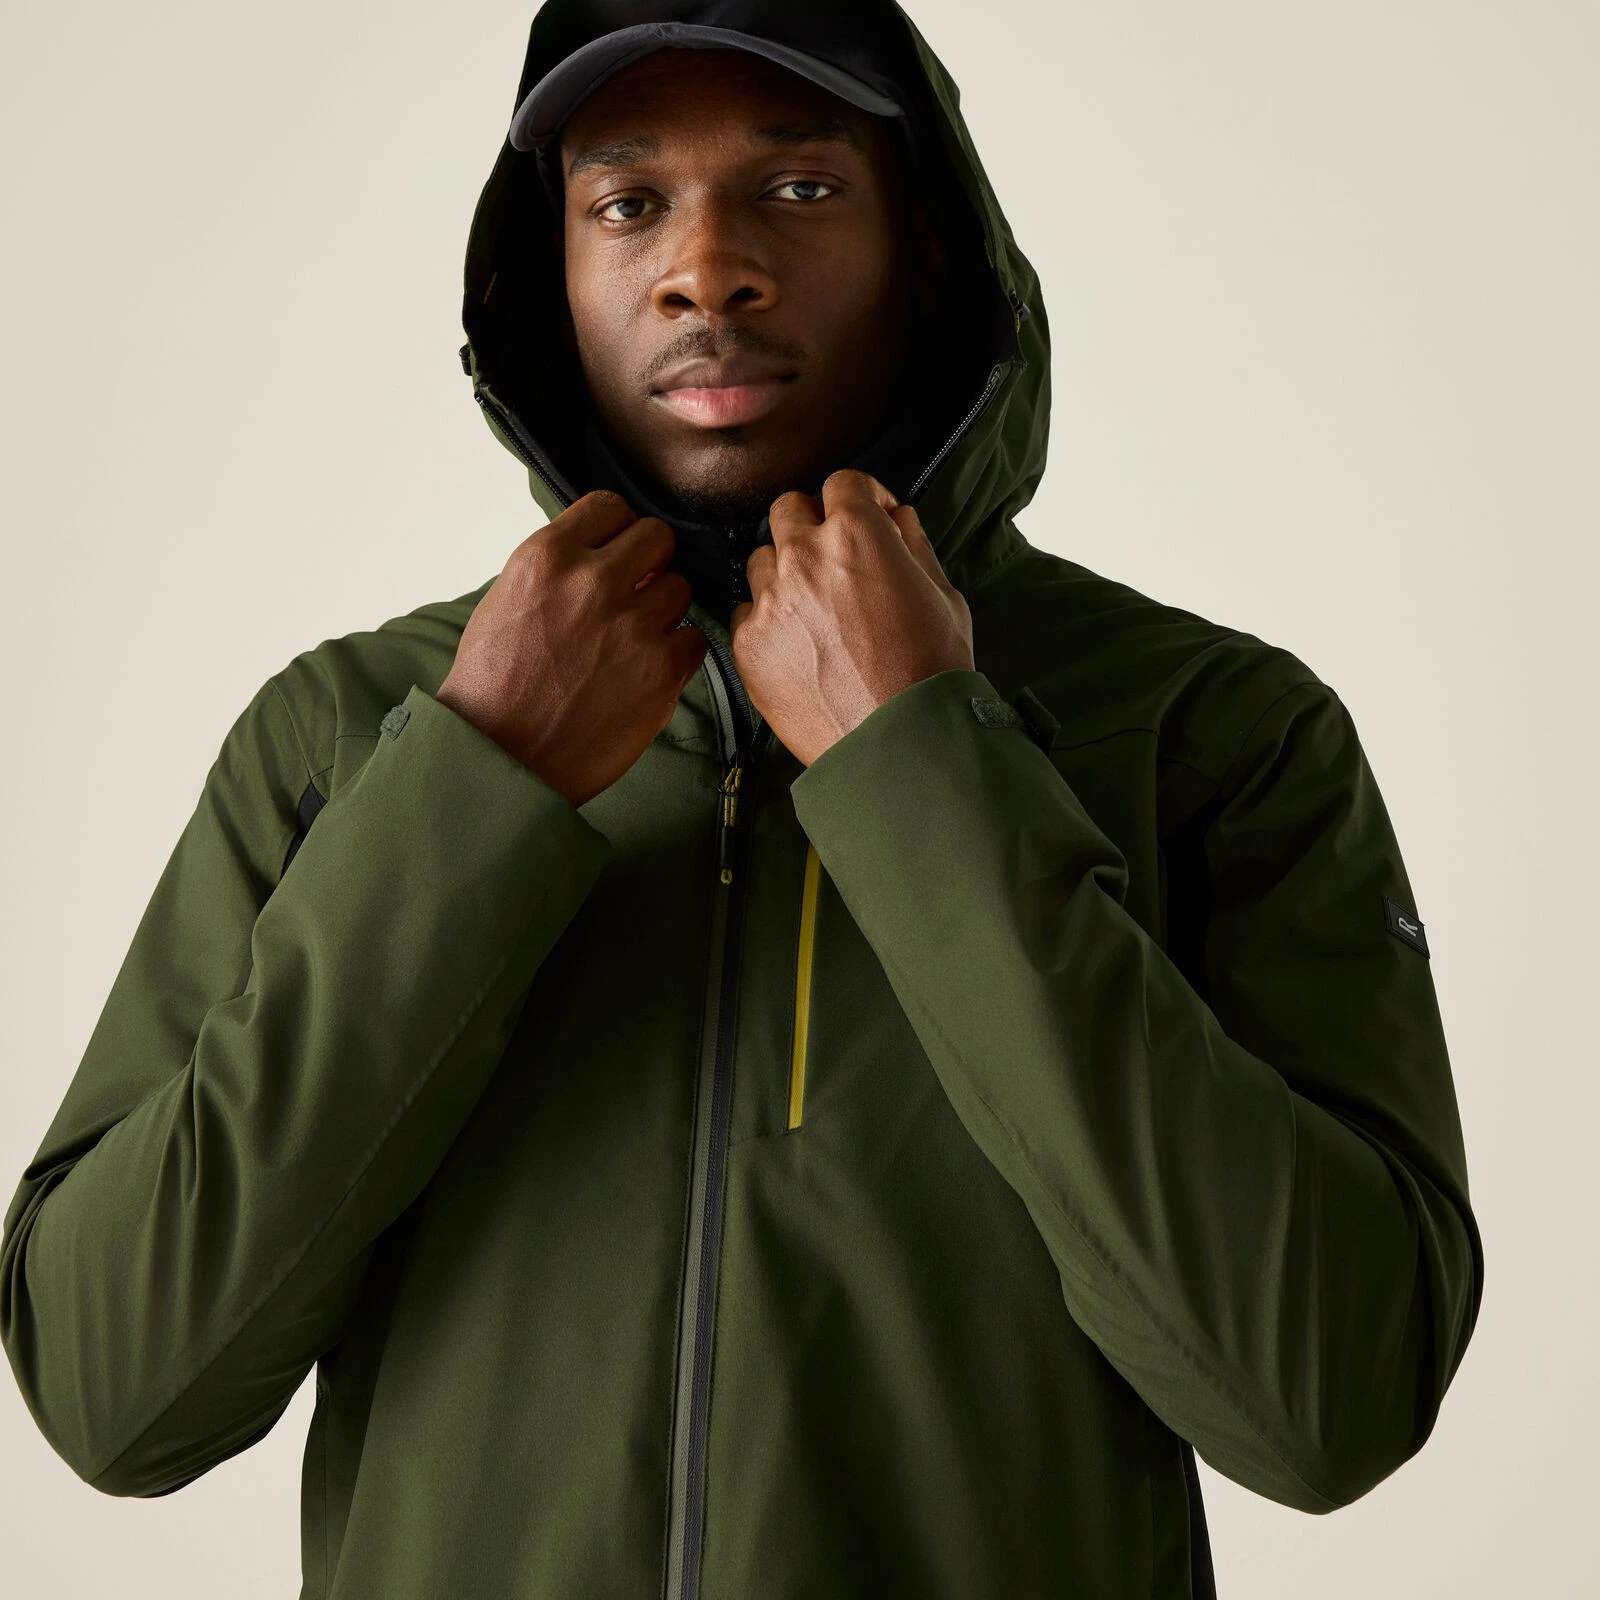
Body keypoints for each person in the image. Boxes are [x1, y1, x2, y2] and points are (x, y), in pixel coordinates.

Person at [1, 3, 1483, 1596]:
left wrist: (924, 765)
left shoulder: (1208, 733)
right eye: (627, 202)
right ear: (546, 272)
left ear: (928, 245)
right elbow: (115, 1393)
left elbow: (1330, 1403)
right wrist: (475, 786)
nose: (705, 270)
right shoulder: (348, 737)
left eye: (799, 189)